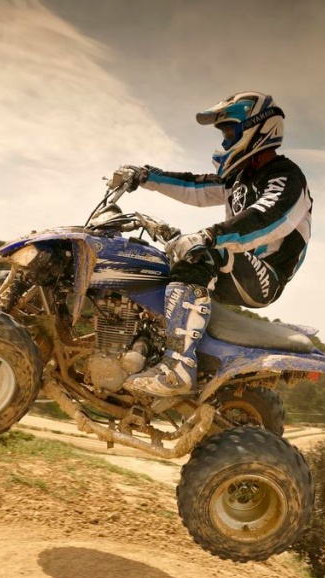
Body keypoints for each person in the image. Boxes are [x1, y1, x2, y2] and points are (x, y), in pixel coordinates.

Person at [114, 91, 313, 398]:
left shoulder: (286, 176)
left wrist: (207, 237)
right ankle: (143, 346)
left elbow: (268, 218)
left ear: (257, 129)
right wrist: (145, 176)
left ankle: (178, 369)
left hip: (264, 277)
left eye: (230, 132)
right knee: (161, 260)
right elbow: (193, 186)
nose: (225, 141)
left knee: (200, 253)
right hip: (235, 264)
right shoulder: (237, 178)